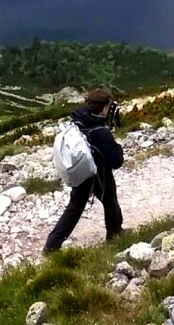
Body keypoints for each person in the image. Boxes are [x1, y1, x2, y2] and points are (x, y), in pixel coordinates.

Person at [44, 88, 124, 254]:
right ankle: (114, 234)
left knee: (74, 208)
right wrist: (117, 147)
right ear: (103, 108)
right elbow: (116, 161)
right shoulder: (101, 132)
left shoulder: (80, 119)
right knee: (110, 200)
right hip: (99, 174)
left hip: (81, 171)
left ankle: (52, 245)